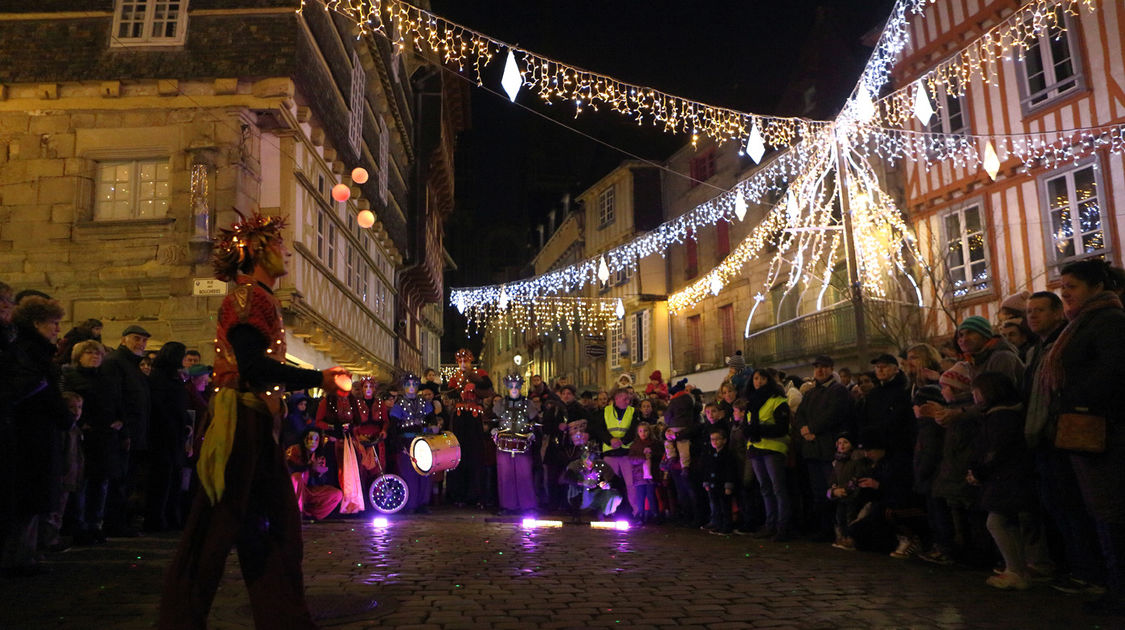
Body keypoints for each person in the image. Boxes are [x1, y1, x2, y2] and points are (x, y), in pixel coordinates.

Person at [159, 212, 349, 629]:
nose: (284, 253)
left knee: (276, 525)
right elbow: (252, 367)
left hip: (258, 423)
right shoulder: (249, 298)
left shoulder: (260, 298)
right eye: (277, 246)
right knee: (218, 523)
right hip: (240, 423)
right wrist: (319, 378)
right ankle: (181, 618)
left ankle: (283, 615)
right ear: (258, 251)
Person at [1038, 259, 1125, 615]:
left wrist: (1074, 398)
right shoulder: (1083, 323)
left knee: (1112, 511)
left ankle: (1120, 589)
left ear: (1095, 287)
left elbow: (1113, 372)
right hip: (1088, 432)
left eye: (1071, 286)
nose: (1065, 293)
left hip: (1107, 433)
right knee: (1101, 511)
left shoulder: (1108, 321)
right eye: (1063, 287)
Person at [1024, 290, 1104, 595]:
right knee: (1056, 507)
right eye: (1029, 311)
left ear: (1057, 312)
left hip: (1061, 435)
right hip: (1041, 437)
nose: (1032, 316)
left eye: (1039, 310)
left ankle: (1088, 571)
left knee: (1073, 507)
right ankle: (1073, 567)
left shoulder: (1064, 344)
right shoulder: (1037, 349)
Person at [1, 296, 69, 577]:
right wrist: (62, 414)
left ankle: (27, 554)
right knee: (29, 496)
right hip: (30, 434)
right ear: (37, 322)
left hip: (36, 431)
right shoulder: (28, 351)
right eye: (53, 323)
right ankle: (20, 558)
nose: (56, 329)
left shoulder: (32, 350)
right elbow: (36, 390)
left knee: (33, 497)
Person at [968, 372, 1046, 591]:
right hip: (1005, 478)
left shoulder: (1002, 418)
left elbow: (996, 450)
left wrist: (979, 471)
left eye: (977, 391)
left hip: (1006, 479)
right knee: (1006, 523)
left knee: (997, 522)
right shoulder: (1003, 415)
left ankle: (1015, 569)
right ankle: (1018, 568)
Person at [62, 340, 124, 546]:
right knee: (83, 482)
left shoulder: (107, 378)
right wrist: (83, 421)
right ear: (79, 356)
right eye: (89, 353)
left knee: (100, 481)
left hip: (105, 436)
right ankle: (79, 525)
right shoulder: (70, 377)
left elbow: (118, 401)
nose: (94, 356)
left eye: (97, 353)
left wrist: (120, 420)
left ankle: (94, 524)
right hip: (85, 436)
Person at [102, 324, 152, 537]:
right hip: (124, 433)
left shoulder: (132, 366)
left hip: (136, 433)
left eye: (143, 340)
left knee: (129, 479)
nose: (140, 343)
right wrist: (123, 427)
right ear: (123, 340)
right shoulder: (116, 363)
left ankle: (121, 521)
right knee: (119, 480)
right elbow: (114, 397)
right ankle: (114, 523)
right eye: (135, 338)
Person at [796, 355, 853, 540]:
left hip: (827, 448)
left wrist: (812, 429)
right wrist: (804, 430)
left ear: (831, 369)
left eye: (824, 367)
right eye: (817, 367)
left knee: (831, 489)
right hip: (812, 449)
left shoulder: (839, 391)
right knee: (818, 491)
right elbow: (800, 415)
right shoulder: (811, 393)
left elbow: (833, 415)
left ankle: (832, 529)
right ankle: (822, 528)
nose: (820, 370)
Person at [146, 342, 191, 532]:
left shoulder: (172, 377)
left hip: (175, 434)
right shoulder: (159, 378)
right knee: (162, 479)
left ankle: (171, 517)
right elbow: (162, 406)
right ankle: (158, 519)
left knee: (173, 479)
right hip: (164, 435)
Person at [745, 368, 793, 541]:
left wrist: (757, 430)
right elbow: (747, 424)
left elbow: (781, 427)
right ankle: (770, 524)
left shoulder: (778, 400)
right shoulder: (751, 401)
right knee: (765, 489)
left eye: (762, 378)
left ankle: (782, 527)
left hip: (773, 448)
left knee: (778, 488)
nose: (758, 382)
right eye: (756, 378)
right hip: (756, 448)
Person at [389, 372, 438, 514]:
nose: (411, 387)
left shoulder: (424, 403)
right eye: (408, 384)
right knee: (409, 473)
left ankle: (423, 503)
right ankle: (410, 503)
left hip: (423, 441)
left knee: (424, 472)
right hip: (407, 441)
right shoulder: (399, 405)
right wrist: (398, 442)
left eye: (414, 384)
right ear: (404, 386)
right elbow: (394, 426)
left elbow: (432, 419)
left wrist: (433, 427)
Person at [491, 373, 540, 515]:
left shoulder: (528, 404)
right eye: (511, 386)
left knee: (524, 475)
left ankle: (527, 505)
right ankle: (507, 505)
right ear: (507, 387)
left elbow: (535, 423)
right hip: (503, 446)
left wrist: (532, 433)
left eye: (516, 386)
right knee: (505, 476)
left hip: (522, 445)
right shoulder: (500, 405)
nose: (514, 388)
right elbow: (492, 420)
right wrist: (494, 431)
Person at [590, 387, 641, 520]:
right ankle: (607, 510)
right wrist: (610, 440)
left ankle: (635, 511)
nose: (627, 401)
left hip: (626, 452)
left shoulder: (633, 412)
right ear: (616, 399)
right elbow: (599, 429)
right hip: (610, 453)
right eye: (624, 398)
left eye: (629, 398)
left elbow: (633, 429)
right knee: (608, 483)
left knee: (631, 485)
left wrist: (622, 440)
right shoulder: (605, 412)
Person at [286, 428, 343, 521]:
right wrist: (309, 466)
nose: (313, 442)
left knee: (337, 494)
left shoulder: (319, 457)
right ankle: (297, 512)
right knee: (297, 477)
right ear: (304, 440)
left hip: (309, 491)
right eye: (310, 438)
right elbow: (290, 469)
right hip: (294, 491)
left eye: (316, 439)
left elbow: (321, 481)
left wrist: (318, 473)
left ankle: (311, 515)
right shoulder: (295, 450)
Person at [956, 315, 1024, 389]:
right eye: (961, 335)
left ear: (985, 335)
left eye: (970, 333)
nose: (964, 339)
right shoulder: (974, 361)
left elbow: (1001, 396)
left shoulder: (1002, 357)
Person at [700, 428, 739, 535]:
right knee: (716, 505)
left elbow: (730, 470)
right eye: (712, 439)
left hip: (722, 484)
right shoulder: (711, 454)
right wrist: (706, 482)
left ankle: (727, 526)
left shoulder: (727, 455)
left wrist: (728, 485)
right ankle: (718, 524)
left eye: (717, 439)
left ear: (724, 440)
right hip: (713, 485)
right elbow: (707, 469)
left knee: (725, 506)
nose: (715, 441)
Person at [628, 422, 662, 524]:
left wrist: (652, 455)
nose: (643, 433)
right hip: (639, 475)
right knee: (640, 496)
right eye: (640, 431)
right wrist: (642, 458)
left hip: (651, 474)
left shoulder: (655, 444)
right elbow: (631, 459)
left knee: (651, 495)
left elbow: (660, 455)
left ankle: (654, 514)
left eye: (645, 430)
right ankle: (641, 515)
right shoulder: (635, 445)